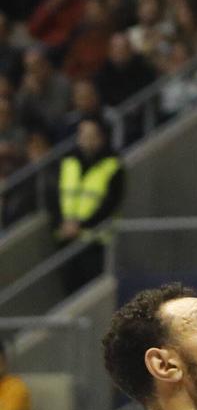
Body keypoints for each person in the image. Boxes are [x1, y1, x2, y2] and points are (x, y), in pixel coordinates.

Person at [52, 116, 124, 290]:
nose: (86, 139)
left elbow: (110, 203)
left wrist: (82, 225)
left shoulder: (113, 165)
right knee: (69, 288)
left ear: (101, 137)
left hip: (96, 242)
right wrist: (63, 223)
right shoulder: (68, 162)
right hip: (67, 238)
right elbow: (55, 196)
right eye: (83, 134)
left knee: (91, 288)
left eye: (91, 135)